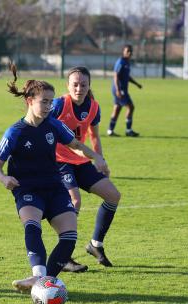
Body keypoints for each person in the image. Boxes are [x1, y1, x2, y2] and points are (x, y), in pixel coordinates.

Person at [0, 64, 106, 293]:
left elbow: (75, 144)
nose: (48, 106)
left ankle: (43, 283)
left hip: (54, 187)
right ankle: (38, 275)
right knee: (32, 226)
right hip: (27, 189)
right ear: (29, 101)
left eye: (51, 102)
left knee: (69, 236)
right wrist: (4, 179)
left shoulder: (54, 125)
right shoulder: (15, 132)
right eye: (44, 101)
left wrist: (96, 157)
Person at [52, 67, 121, 271]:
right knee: (75, 201)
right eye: (75, 84)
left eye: (83, 84)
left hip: (81, 160)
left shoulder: (93, 107)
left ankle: (95, 245)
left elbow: (94, 136)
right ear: (68, 85)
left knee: (113, 195)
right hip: (58, 161)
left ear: (89, 85)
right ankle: (63, 257)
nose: (79, 88)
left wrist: (101, 161)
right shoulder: (58, 105)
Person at [107, 44, 142, 137]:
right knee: (131, 107)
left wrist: (136, 84)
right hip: (120, 90)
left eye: (130, 51)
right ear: (123, 52)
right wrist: (118, 89)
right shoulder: (121, 62)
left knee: (117, 109)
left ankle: (110, 130)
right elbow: (116, 75)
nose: (129, 53)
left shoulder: (127, 62)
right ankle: (128, 130)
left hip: (121, 90)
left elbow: (127, 77)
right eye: (127, 51)